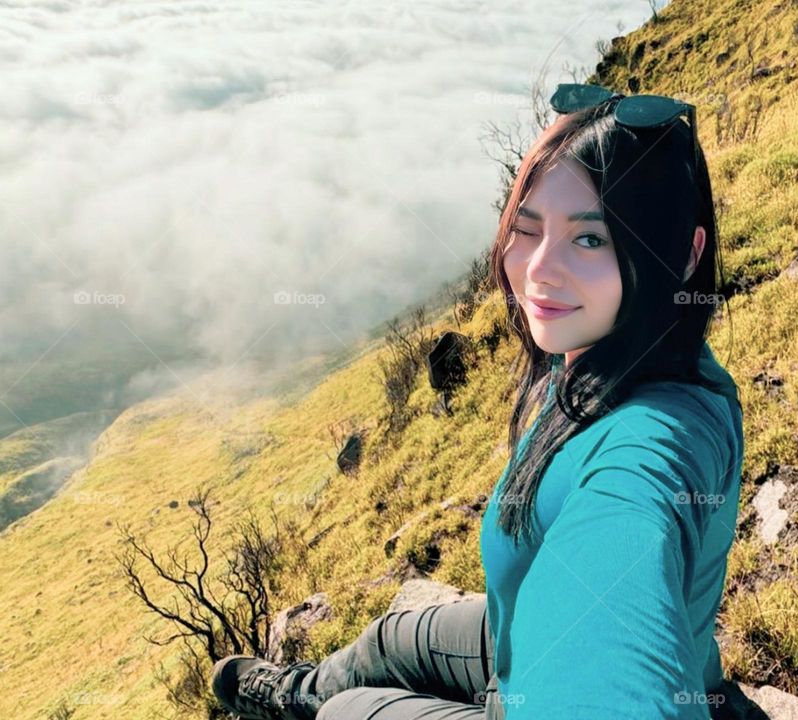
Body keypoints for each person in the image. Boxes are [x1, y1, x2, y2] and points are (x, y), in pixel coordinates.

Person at [211, 83, 745, 720]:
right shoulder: (598, 345)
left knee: (348, 712)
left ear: (685, 256)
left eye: (592, 239)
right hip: (509, 636)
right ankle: (291, 694)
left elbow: (619, 558)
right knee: (382, 642)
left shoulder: (659, 437)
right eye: (527, 227)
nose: (539, 270)